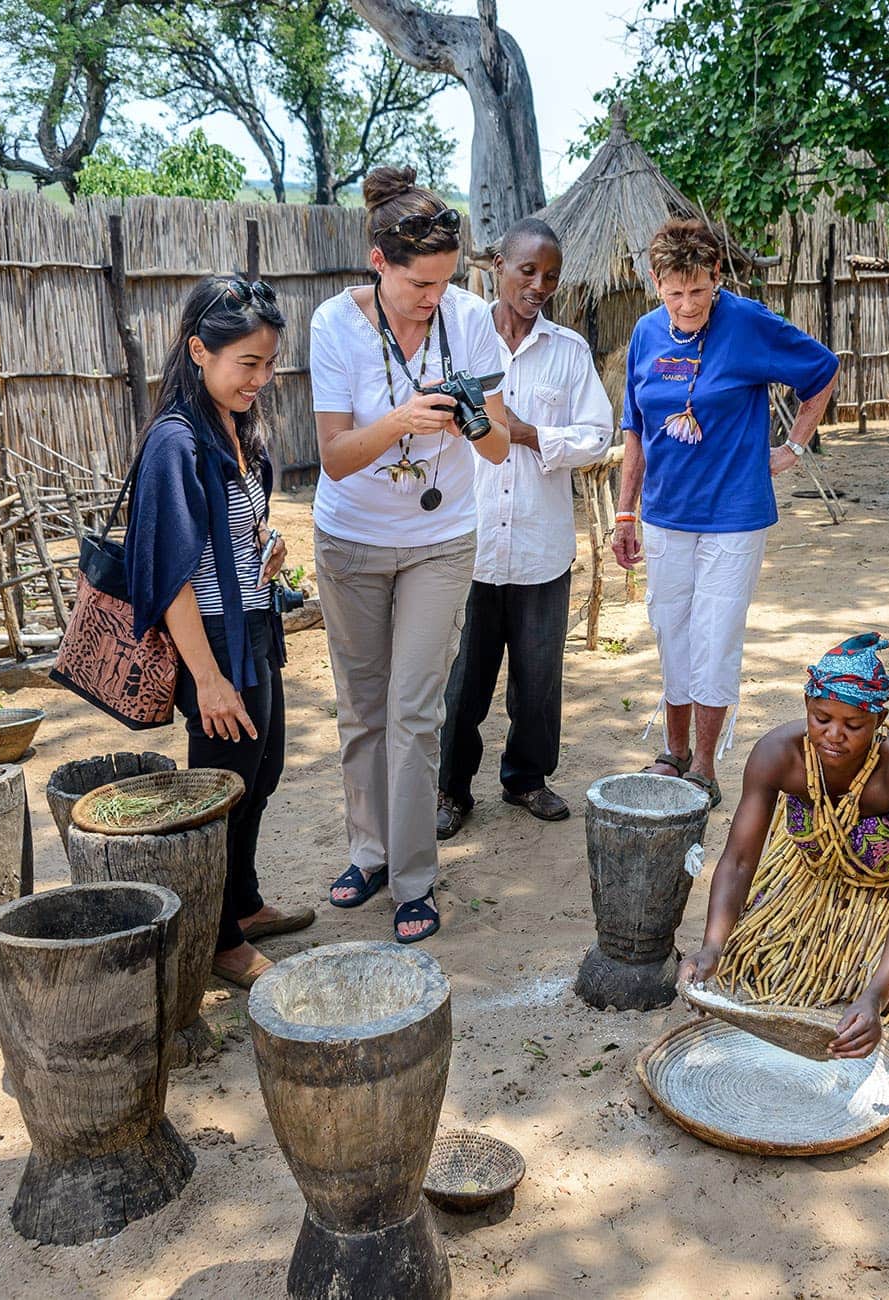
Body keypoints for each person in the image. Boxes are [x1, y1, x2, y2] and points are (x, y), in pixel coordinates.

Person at [307, 165, 513, 943]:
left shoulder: (470, 320)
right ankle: (369, 852)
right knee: (362, 708)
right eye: (419, 284)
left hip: (438, 542)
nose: (434, 298)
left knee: (415, 712)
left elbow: (496, 449)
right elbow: (333, 456)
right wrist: (402, 421)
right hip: (352, 539)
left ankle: (415, 879)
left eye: (445, 282)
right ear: (379, 262)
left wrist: (468, 423)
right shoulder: (334, 324)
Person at [612, 217, 839, 808]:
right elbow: (634, 431)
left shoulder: (748, 323)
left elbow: (822, 369)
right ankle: (674, 749)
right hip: (664, 514)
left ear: (716, 275)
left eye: (698, 290)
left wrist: (792, 448)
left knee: (714, 637)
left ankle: (705, 767)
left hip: (734, 515)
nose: (687, 305)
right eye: (674, 293)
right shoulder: (644, 334)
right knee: (671, 631)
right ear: (657, 285)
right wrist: (624, 514)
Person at [125, 274, 313, 989]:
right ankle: (220, 938)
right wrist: (206, 678)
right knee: (222, 786)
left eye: (268, 365)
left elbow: (225, 534)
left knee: (259, 775)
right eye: (248, 364)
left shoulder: (234, 426)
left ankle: (245, 899)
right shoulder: (176, 442)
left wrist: (264, 546)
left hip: (253, 624)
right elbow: (171, 576)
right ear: (200, 350)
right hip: (210, 640)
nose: (260, 379)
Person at [676, 634, 889, 1058]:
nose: (834, 735)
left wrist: (876, 996)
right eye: (821, 719)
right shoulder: (776, 756)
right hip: (817, 872)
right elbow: (739, 860)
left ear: (880, 721)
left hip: (887, 887)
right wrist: (712, 945)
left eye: (853, 725)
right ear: (806, 707)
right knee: (754, 966)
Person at [436, 218, 614, 839]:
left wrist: (527, 432)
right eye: (527, 271)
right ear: (497, 264)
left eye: (551, 276)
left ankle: (527, 779)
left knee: (538, 679)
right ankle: (450, 789)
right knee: (463, 678)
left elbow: (597, 435)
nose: (539, 285)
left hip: (541, 544)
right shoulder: (457, 340)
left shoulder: (567, 351)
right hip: (469, 542)